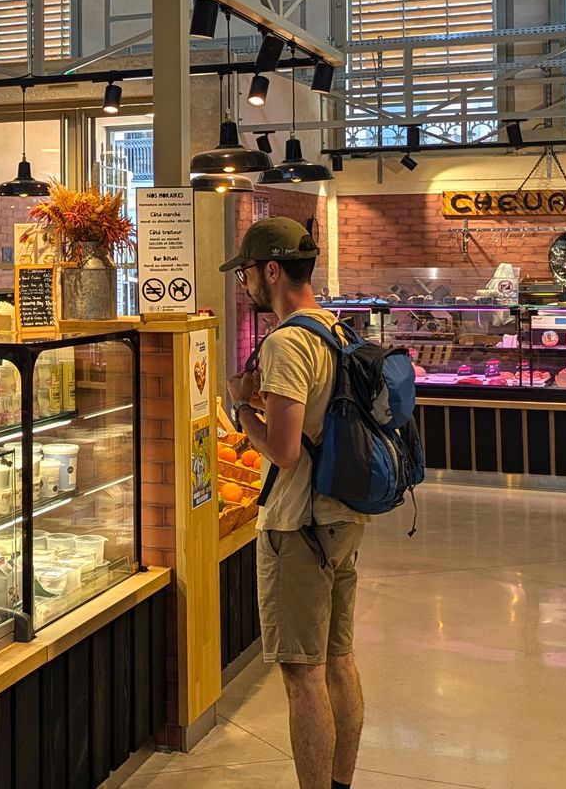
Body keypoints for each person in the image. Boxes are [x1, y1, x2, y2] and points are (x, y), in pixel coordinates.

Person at [221, 217, 368, 789]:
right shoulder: (336, 328)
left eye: (248, 274)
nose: (245, 286)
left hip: (298, 522)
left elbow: (281, 452)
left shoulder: (286, 341)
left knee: (301, 675)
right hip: (343, 514)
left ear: (272, 271)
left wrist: (240, 408)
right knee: (339, 659)